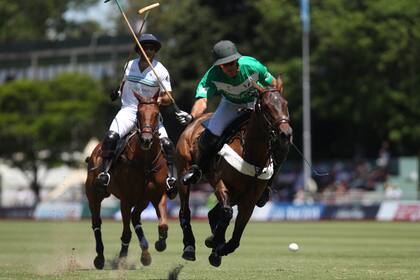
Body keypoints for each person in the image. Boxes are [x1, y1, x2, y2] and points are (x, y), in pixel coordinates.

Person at [176, 40, 284, 207]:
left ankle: (267, 186)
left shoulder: (252, 66)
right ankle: (198, 170)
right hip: (230, 105)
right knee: (209, 137)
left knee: (280, 141)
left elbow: (274, 86)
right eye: (225, 65)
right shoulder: (211, 76)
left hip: (256, 104)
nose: (230, 68)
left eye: (232, 63)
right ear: (219, 66)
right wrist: (192, 117)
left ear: (237, 60)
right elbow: (202, 101)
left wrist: (276, 105)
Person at [98, 33, 188, 196]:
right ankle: (105, 173)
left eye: (151, 48)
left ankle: (170, 179)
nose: (148, 50)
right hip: (129, 110)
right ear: (139, 50)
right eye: (144, 47)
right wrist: (117, 92)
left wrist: (155, 102)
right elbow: (124, 84)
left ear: (155, 51)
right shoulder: (129, 65)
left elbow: (168, 96)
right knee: (111, 137)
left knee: (167, 144)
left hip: (149, 113)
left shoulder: (160, 71)